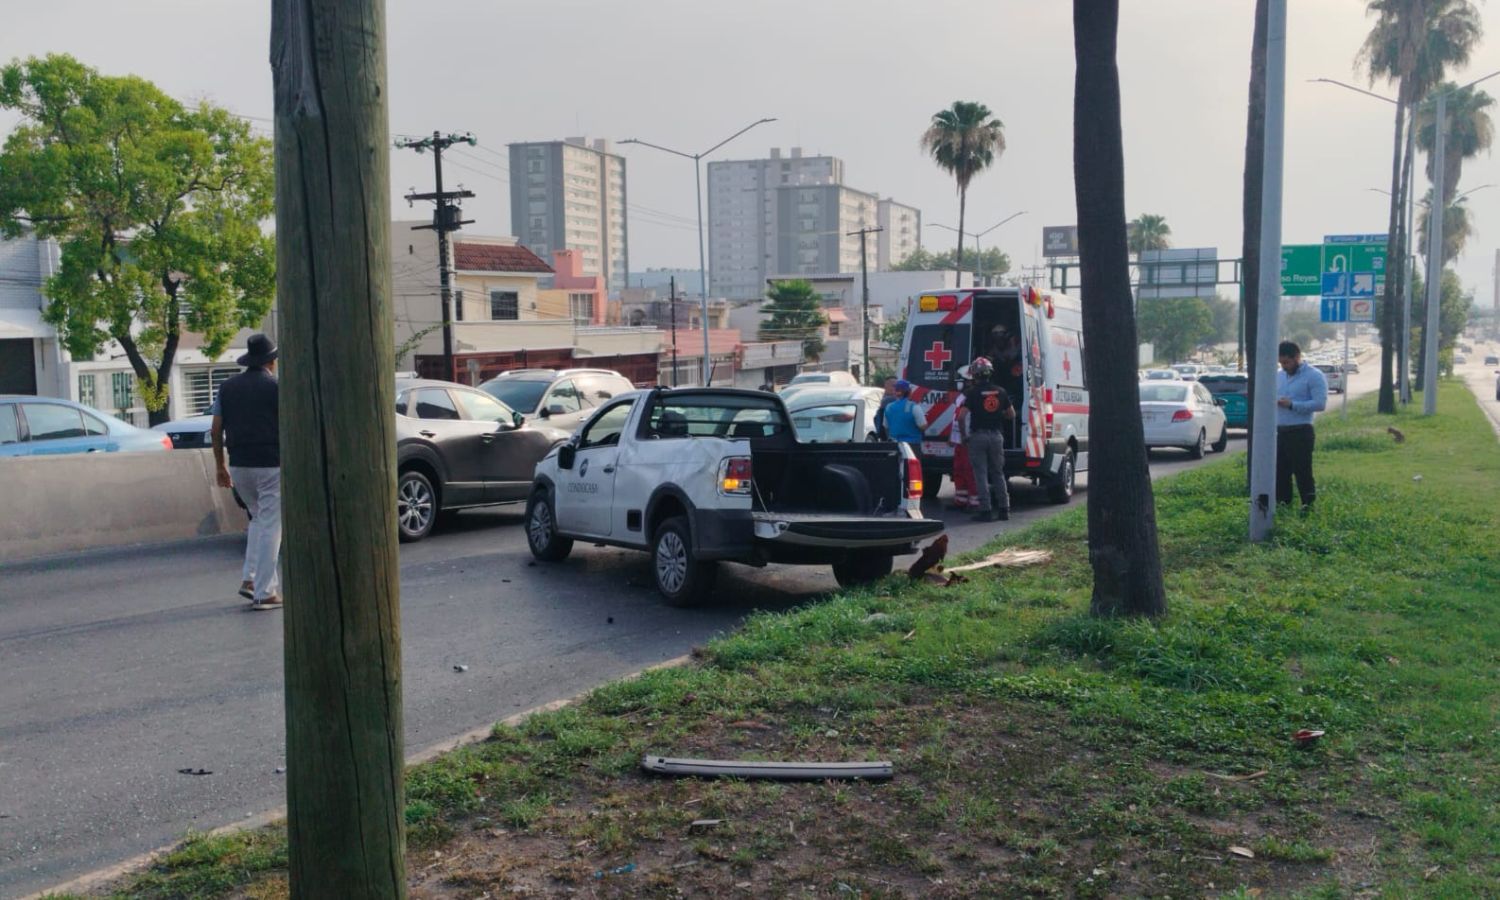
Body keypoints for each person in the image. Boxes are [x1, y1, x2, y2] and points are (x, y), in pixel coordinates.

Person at [212, 333, 283, 611]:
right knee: (271, 526)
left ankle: (250, 579)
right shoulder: (277, 388)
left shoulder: (227, 388)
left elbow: (216, 429)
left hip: (239, 465)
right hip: (271, 464)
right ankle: (265, 592)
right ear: (271, 362)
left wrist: (219, 466)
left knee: (257, 519)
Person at [961, 357, 1016, 522]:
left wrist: (964, 436)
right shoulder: (1001, 391)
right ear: (990, 373)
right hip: (996, 435)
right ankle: (1004, 509)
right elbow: (1012, 414)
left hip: (978, 436)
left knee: (981, 474)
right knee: (998, 473)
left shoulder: (972, 393)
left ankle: (985, 511)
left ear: (975, 375)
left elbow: (961, 416)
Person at [1275, 340, 1328, 510]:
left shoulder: (1314, 375)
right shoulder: (1279, 376)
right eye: (1281, 362)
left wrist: (1292, 404)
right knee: (1280, 472)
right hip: (1280, 431)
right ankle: (1283, 505)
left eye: (1287, 362)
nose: (1284, 366)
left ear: (1297, 357)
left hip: (1301, 431)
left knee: (1302, 471)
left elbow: (1320, 403)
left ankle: (1308, 505)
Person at [883, 380, 928, 489]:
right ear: (909, 392)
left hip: (895, 445)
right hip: (912, 446)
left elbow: (885, 426)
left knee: (897, 472)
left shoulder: (889, 407)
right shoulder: (914, 407)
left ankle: (897, 494)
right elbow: (923, 425)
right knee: (913, 474)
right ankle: (912, 495)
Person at [948, 372, 980, 511]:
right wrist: (952, 436)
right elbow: (955, 418)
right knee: (958, 470)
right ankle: (960, 500)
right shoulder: (961, 397)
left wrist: (964, 436)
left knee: (970, 471)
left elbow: (964, 419)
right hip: (959, 439)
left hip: (967, 438)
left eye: (965, 381)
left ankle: (974, 501)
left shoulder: (975, 397)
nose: (962, 384)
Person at [872, 376, 899, 440]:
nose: (895, 388)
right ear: (886, 386)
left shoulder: (886, 398)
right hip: (890, 434)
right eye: (893, 385)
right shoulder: (890, 399)